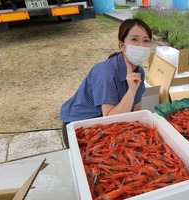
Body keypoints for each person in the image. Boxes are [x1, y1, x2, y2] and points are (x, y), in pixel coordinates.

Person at [59, 18, 152, 148]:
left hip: (103, 124)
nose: (141, 45)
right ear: (122, 45)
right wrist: (131, 90)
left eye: (146, 40)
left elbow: (136, 111)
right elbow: (109, 118)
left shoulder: (139, 72)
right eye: (134, 39)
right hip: (79, 125)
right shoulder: (105, 72)